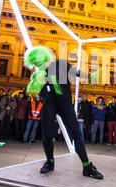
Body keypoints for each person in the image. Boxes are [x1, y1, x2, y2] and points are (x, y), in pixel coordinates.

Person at [23, 46, 103, 179]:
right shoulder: (39, 73)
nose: (37, 64)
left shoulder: (61, 63)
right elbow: (38, 92)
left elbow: (76, 72)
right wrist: (36, 86)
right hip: (49, 104)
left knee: (76, 134)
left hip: (65, 104)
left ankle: (87, 166)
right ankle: (50, 162)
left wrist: (89, 76)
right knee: (47, 135)